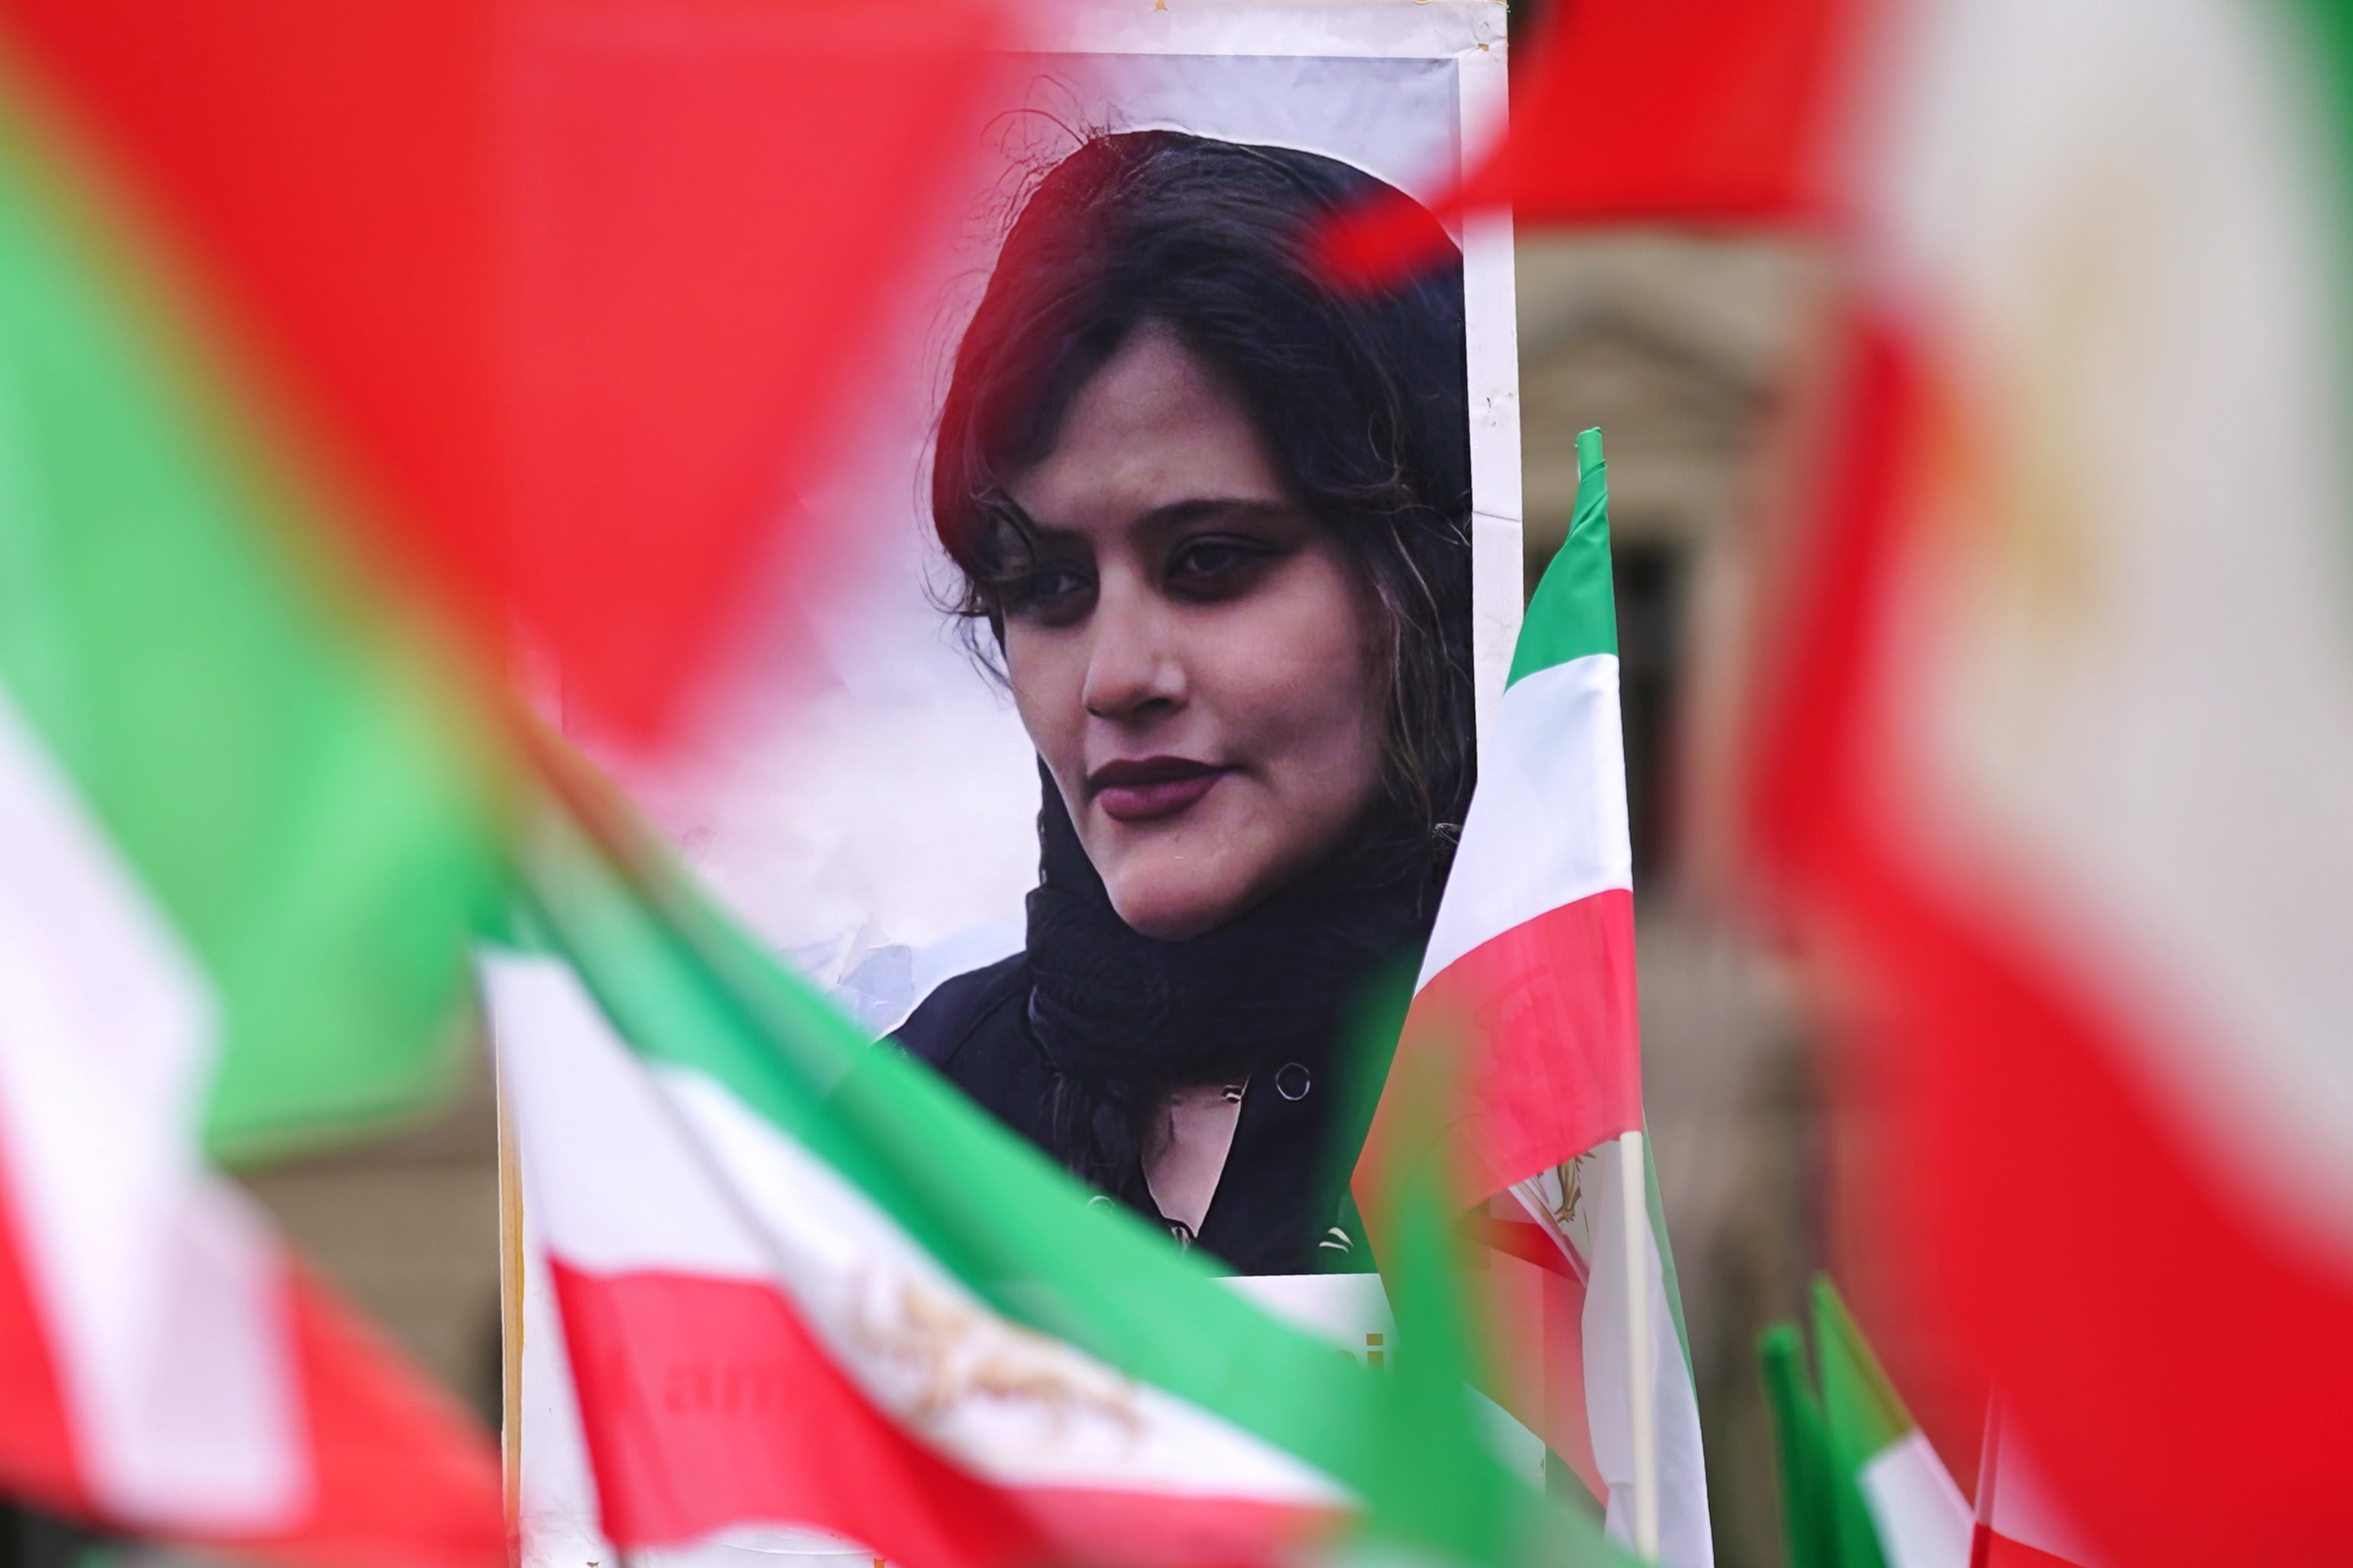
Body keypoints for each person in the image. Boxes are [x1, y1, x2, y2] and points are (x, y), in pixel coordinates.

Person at [895, 129, 1474, 1275]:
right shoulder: (905, 1126)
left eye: (1210, 561)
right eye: (1047, 586)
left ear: (1423, 581)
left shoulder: (1593, 1087)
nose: (1116, 676)